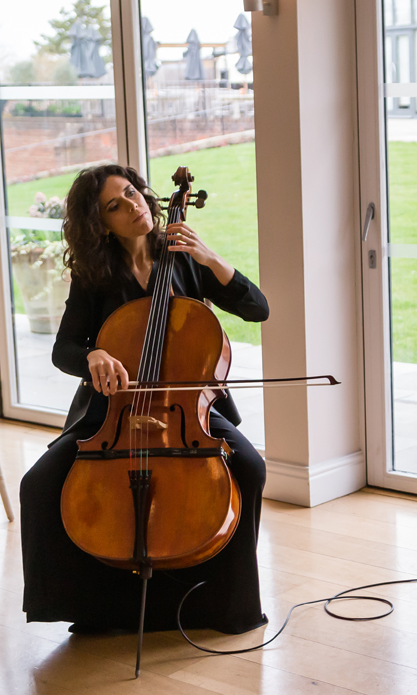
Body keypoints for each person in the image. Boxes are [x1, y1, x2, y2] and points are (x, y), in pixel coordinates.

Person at [20, 164, 269, 635]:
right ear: (101, 224)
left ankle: (228, 604)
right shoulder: (95, 275)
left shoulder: (185, 258)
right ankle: (93, 608)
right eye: (115, 205)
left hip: (186, 409)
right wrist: (93, 356)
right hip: (113, 413)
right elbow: (63, 350)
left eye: (133, 193)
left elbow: (258, 309)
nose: (133, 206)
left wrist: (211, 257)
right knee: (38, 484)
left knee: (250, 468)